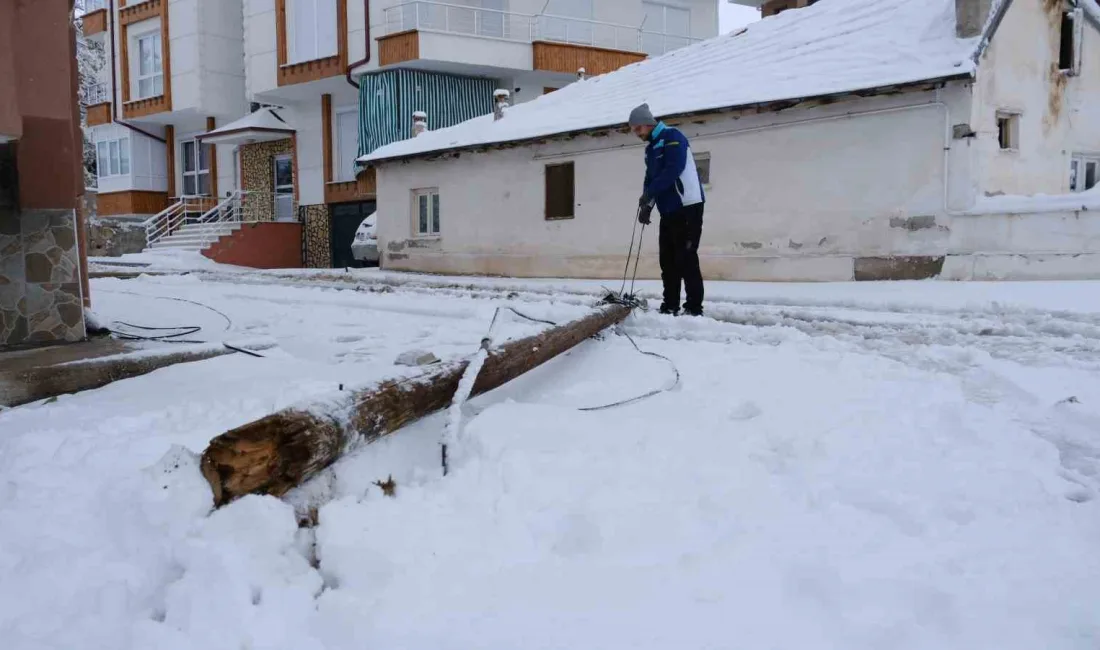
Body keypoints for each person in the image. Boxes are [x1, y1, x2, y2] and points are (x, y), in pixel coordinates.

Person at [628, 103, 705, 317]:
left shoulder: (673, 137)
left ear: (646, 124)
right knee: (668, 261)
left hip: (688, 206)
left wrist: (650, 191)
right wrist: (647, 205)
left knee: (686, 258)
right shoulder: (651, 148)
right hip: (668, 210)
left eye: (637, 129)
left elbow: (674, 169)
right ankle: (670, 305)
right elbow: (651, 178)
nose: (636, 134)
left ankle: (693, 308)